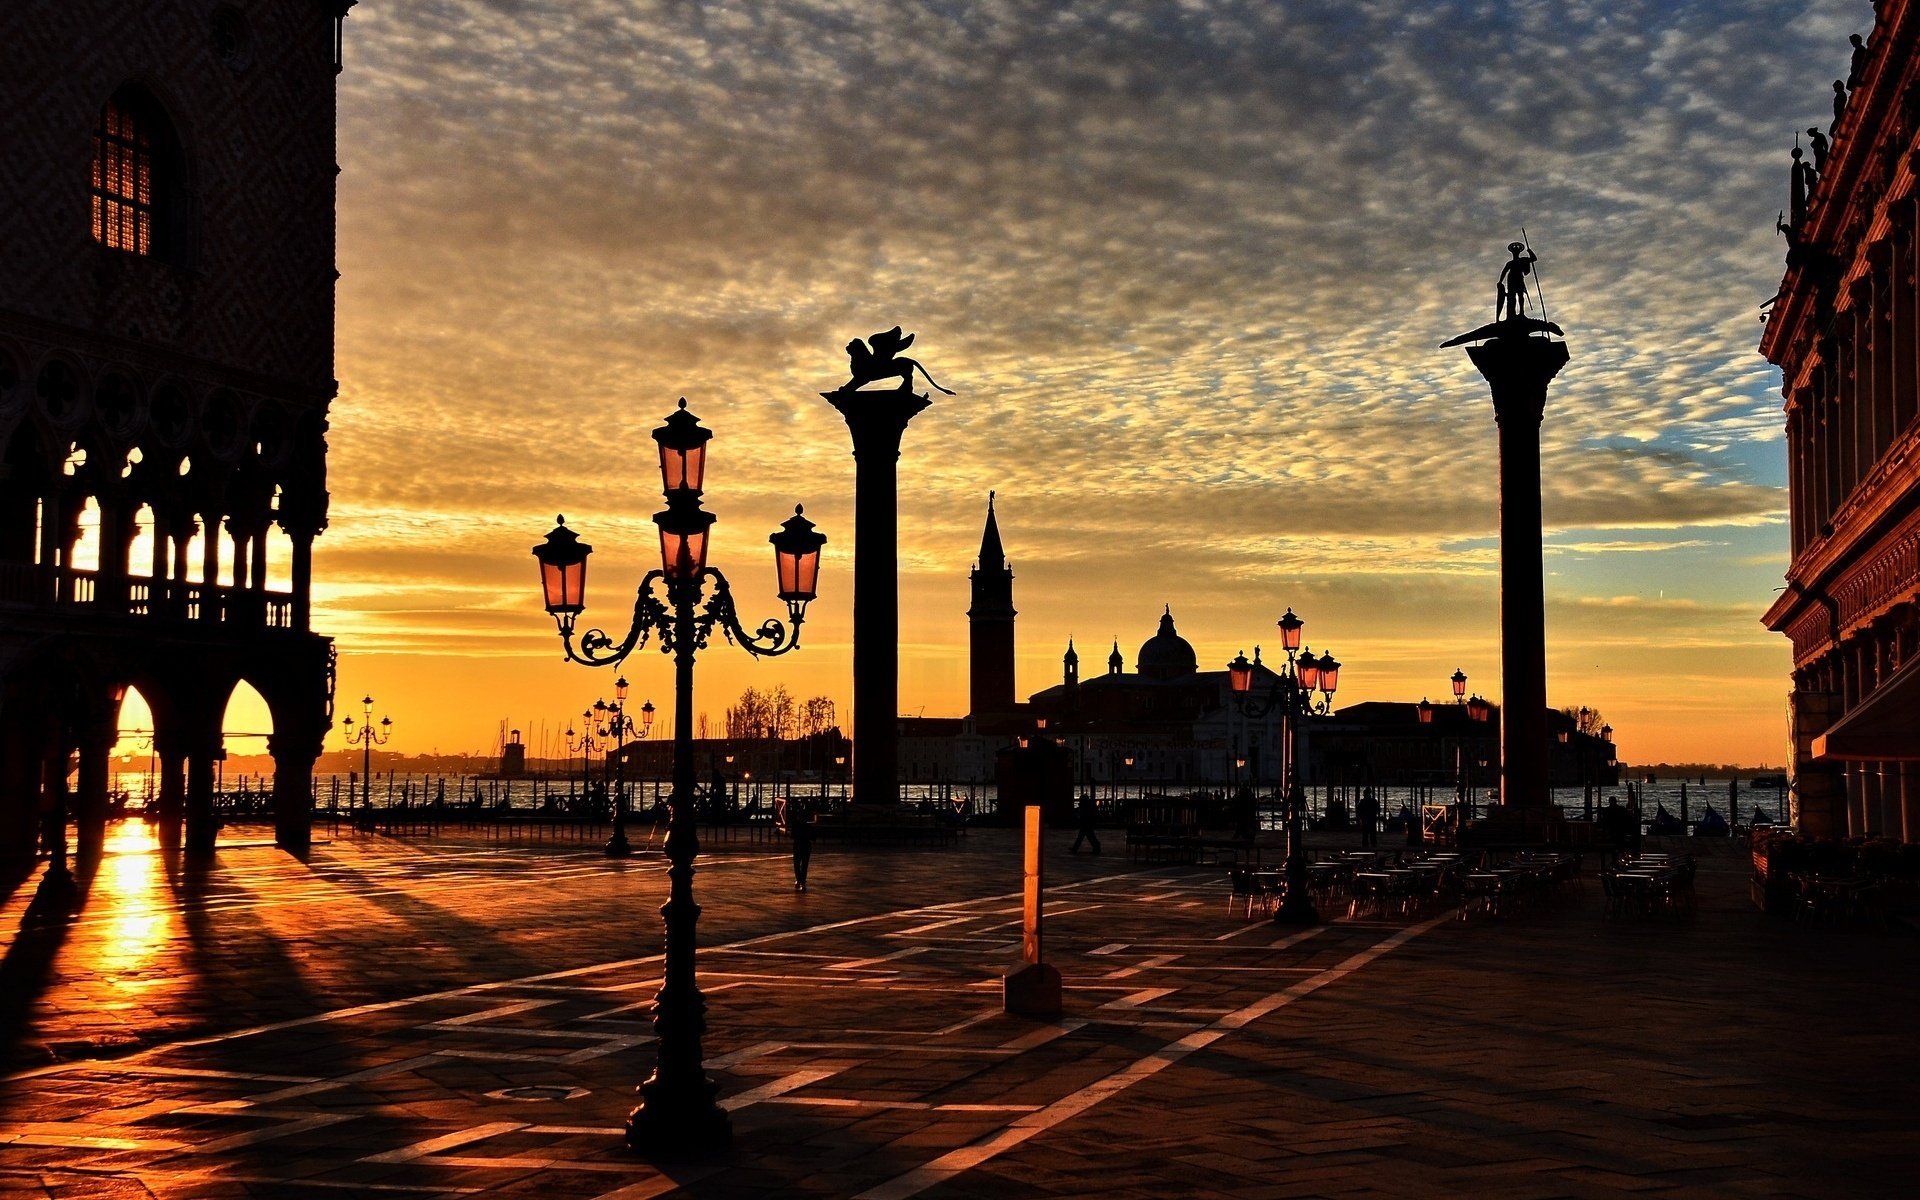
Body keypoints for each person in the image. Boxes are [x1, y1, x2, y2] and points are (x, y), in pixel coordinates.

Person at [786, 798, 814, 891]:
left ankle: (799, 881)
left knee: (797, 865)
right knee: (804, 865)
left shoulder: (796, 825)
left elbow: (792, 836)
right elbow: (813, 837)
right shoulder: (808, 826)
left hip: (798, 846)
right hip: (806, 846)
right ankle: (802, 882)